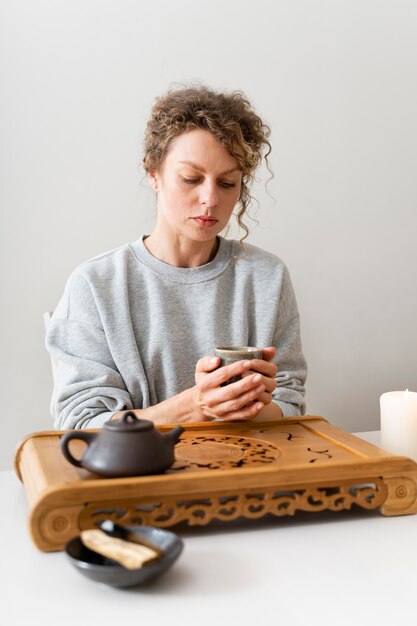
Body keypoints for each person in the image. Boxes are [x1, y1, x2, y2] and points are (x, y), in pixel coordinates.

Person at [46, 85, 307, 430]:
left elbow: (290, 403)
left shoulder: (266, 276)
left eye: (228, 183)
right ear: (153, 174)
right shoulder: (96, 285)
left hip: (244, 474)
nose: (210, 199)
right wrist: (195, 406)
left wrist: (245, 400)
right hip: (138, 480)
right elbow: (80, 425)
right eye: (190, 179)